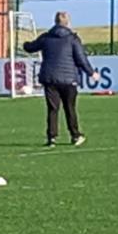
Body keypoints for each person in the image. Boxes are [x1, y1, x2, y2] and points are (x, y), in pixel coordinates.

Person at [22, 11, 99, 147]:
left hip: (50, 78)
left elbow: (31, 47)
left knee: (53, 109)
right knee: (70, 108)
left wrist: (24, 44)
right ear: (68, 22)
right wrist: (91, 73)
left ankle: (52, 138)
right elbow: (81, 59)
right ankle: (75, 135)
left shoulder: (46, 37)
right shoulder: (72, 39)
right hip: (69, 79)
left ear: (55, 22)